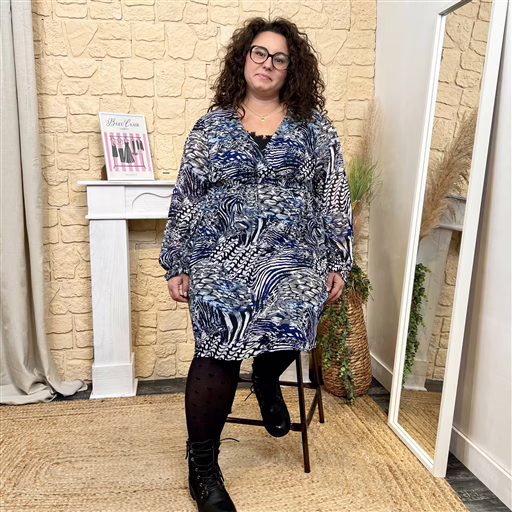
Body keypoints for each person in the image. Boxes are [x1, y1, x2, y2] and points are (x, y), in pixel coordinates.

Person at [159, 16, 354, 512]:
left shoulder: (315, 129)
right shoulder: (211, 127)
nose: (267, 63)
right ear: (244, 59)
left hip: (293, 254)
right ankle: (204, 467)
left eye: (279, 58)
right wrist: (177, 261)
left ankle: (267, 377)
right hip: (219, 254)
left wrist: (339, 258)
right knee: (218, 345)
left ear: (292, 69)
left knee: (301, 308)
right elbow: (187, 196)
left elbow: (334, 195)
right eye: (259, 53)